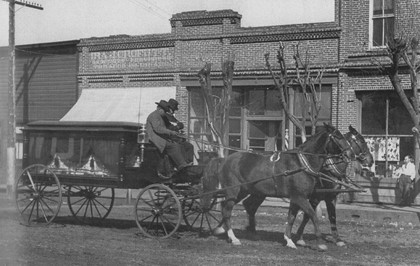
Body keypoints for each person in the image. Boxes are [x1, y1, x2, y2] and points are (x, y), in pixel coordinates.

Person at [146, 100, 190, 178]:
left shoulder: (162, 116)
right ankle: (181, 165)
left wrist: (176, 130)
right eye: (165, 111)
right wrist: (171, 132)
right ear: (160, 109)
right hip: (154, 139)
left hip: (161, 138)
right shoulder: (154, 116)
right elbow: (158, 129)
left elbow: (169, 126)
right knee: (173, 145)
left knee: (179, 144)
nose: (166, 113)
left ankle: (183, 164)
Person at [165, 98, 195, 164]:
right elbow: (168, 129)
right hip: (170, 139)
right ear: (169, 108)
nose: (174, 111)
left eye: (174, 110)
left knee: (189, 146)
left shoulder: (172, 117)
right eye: (173, 109)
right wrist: (177, 127)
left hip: (178, 139)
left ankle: (189, 162)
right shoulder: (165, 117)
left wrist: (181, 131)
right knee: (180, 147)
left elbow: (178, 126)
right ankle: (183, 164)